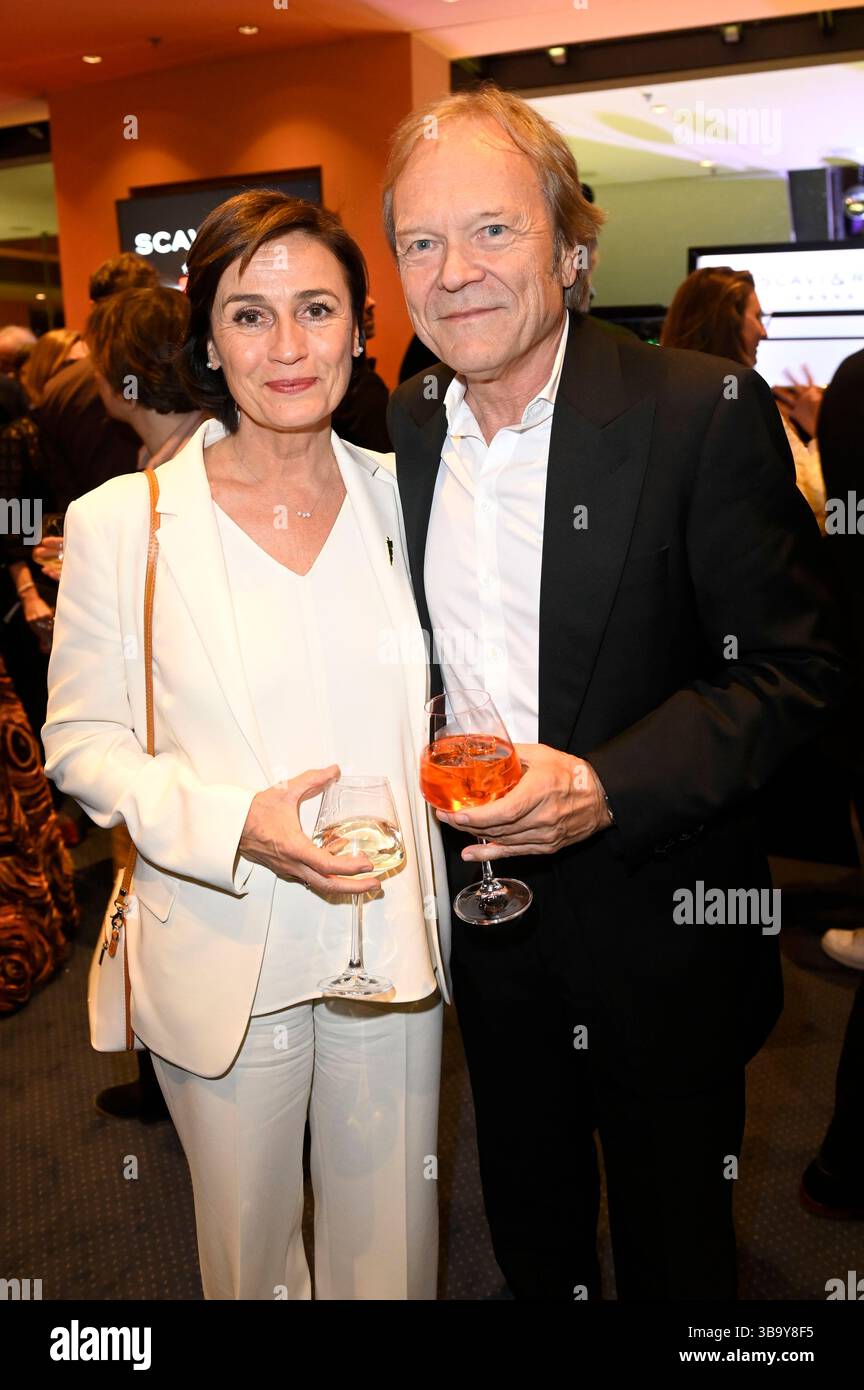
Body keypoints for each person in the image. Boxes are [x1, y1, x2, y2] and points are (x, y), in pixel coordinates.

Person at [382, 83, 844, 1300]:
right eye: (420, 242)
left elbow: (800, 673)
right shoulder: (412, 419)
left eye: (493, 230)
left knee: (678, 1241)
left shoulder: (697, 411)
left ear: (572, 246)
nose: (456, 272)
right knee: (529, 1216)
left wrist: (601, 786)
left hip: (663, 926)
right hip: (490, 923)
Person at [42, 190, 449, 1301]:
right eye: (250, 314)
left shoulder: (407, 501)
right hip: (227, 941)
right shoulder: (126, 522)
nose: (287, 346)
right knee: (253, 1258)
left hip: (388, 935)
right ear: (208, 340)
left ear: (363, 326)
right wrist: (236, 827)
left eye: (316, 309)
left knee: (392, 1253)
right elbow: (82, 744)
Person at [661, 266, 827, 531]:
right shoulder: (741, 403)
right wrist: (820, 432)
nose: (764, 332)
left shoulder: (668, 396)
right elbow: (815, 509)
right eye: (758, 317)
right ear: (728, 322)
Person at [36, 254, 159, 516]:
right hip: (158, 520)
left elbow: (57, 482)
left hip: (90, 523)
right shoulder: (175, 372)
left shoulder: (60, 386)